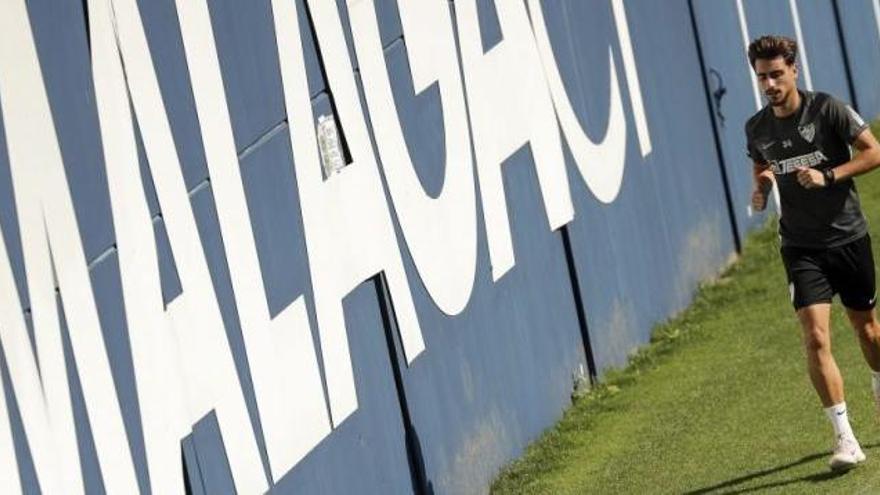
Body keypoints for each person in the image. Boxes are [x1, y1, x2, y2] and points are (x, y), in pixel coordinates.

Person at [745, 34, 880, 471]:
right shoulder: (757, 127)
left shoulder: (827, 109)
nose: (769, 84)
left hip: (848, 236)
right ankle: (844, 439)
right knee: (816, 336)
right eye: (762, 76)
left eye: (776, 74)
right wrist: (762, 185)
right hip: (800, 246)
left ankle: (878, 386)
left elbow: (874, 152)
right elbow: (762, 163)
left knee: (868, 331)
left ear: (794, 70)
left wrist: (830, 175)